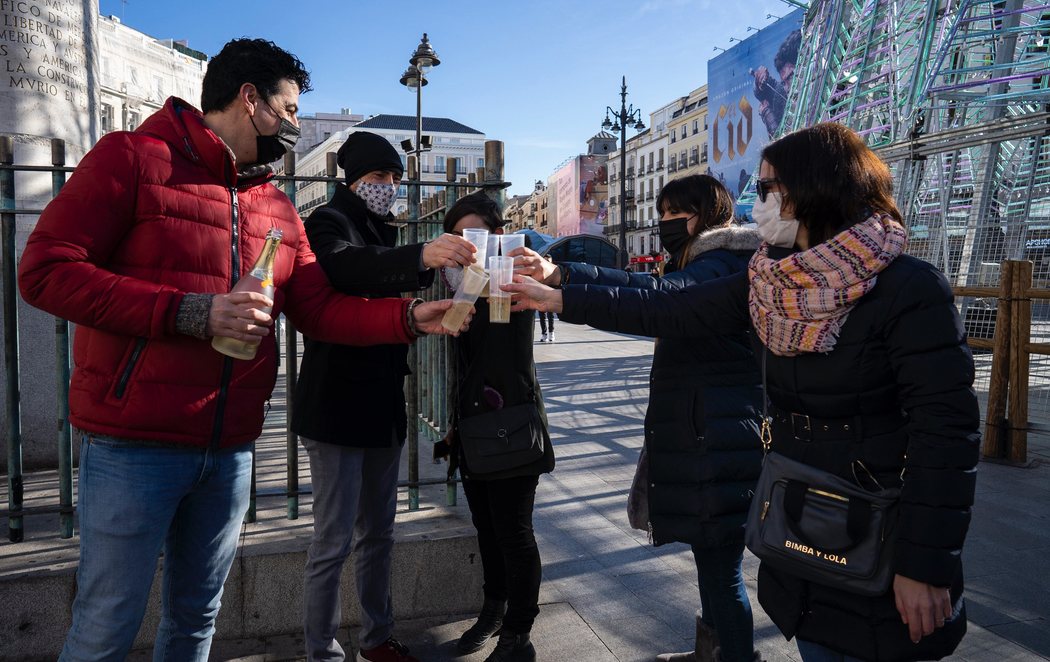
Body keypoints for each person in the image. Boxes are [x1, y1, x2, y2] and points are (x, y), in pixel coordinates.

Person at [17, 38, 464, 662]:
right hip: (132, 446)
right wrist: (190, 310)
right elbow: (44, 271)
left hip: (229, 450)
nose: (294, 126)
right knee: (105, 627)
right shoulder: (131, 158)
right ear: (250, 99)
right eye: (288, 110)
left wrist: (414, 317)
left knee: (197, 621)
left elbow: (319, 311)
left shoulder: (276, 207)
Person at [507, 123, 980, 662]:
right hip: (804, 527)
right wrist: (559, 295)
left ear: (815, 188)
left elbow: (946, 436)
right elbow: (667, 307)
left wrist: (925, 565)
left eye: (769, 189)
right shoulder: (770, 282)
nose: (758, 203)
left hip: (884, 535)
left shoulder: (909, 287)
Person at [515, 175, 764, 662]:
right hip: (708, 432)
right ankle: (712, 650)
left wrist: (563, 295)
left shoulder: (721, 266)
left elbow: (654, 300)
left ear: (705, 215)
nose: (664, 222)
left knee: (721, 568)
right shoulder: (704, 263)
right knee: (711, 559)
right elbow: (648, 286)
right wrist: (562, 274)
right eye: (663, 211)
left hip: (718, 436)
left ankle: (736, 657)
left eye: (675, 213)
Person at [292, 131, 476, 662]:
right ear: (351, 179)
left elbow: (386, 274)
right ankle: (321, 651)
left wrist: (433, 270)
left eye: (394, 178)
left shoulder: (384, 229)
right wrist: (419, 253)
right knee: (331, 543)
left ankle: (376, 637)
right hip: (334, 409)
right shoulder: (327, 223)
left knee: (379, 535)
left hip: (382, 407)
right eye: (377, 178)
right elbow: (349, 268)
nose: (387, 187)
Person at [434, 191, 554, 662]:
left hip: (512, 425)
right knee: (485, 528)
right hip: (472, 429)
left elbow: (506, 350)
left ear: (496, 236)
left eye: (476, 236)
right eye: (460, 237)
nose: (468, 246)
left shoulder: (515, 279)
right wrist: (452, 426)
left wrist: (505, 271)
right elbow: (461, 365)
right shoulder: (455, 284)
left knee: (514, 533)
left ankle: (518, 632)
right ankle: (493, 609)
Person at [537, 256, 556, 343]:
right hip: (541, 296)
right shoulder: (540, 271)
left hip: (550, 296)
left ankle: (551, 333)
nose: (546, 261)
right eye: (544, 260)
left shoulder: (554, 271)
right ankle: (544, 334)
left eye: (548, 260)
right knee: (542, 316)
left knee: (550, 315)